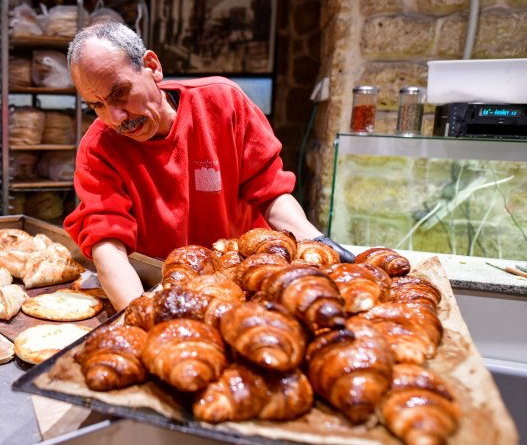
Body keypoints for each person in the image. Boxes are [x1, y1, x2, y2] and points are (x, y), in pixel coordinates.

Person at [63, 21, 353, 310]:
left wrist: (316, 240)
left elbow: (270, 191)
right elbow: (107, 245)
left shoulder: (222, 102)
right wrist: (139, 314)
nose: (116, 118)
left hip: (245, 282)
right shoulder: (99, 148)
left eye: (120, 93)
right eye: (97, 105)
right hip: (162, 289)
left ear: (152, 66)